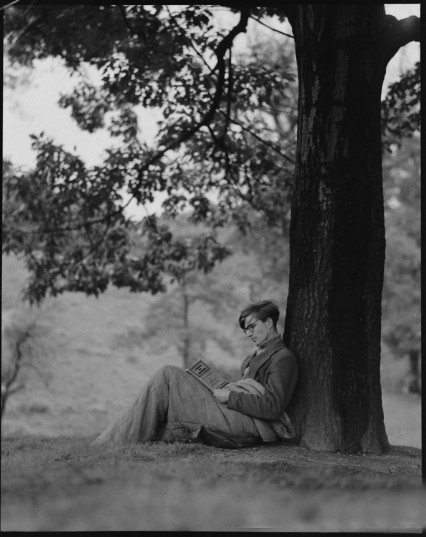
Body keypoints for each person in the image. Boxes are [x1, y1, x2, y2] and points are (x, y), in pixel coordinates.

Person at [92, 300, 299, 449]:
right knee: (172, 391)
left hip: (250, 425)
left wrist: (230, 396)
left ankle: (110, 443)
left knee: (168, 375)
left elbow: (273, 407)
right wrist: (222, 388)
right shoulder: (254, 356)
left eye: (252, 327)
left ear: (269, 323)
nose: (249, 334)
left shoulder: (283, 358)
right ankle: (117, 439)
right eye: (246, 330)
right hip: (237, 414)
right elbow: (248, 388)